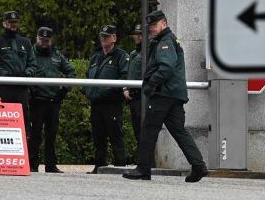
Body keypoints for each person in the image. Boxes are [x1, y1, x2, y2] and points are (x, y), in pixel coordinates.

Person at [123, 11, 209, 183]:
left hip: (163, 94)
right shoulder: (168, 40)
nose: (152, 29)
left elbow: (166, 68)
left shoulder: (165, 42)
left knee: (148, 129)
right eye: (150, 26)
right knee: (179, 131)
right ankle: (199, 166)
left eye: (155, 25)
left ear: (164, 24)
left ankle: (143, 169)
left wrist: (151, 85)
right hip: (173, 95)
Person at [0, 10, 37, 172]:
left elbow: (33, 64)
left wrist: (25, 75)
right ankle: (1, 160)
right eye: (10, 22)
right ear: (4, 23)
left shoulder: (25, 42)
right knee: (2, 124)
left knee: (23, 125)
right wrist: (6, 75)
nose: (13, 25)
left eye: (15, 22)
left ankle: (23, 161)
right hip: (3, 89)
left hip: (21, 89)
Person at [28, 26, 75, 173]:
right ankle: (32, 164)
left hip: (53, 101)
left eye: (47, 40)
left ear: (51, 40)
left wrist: (64, 90)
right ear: (37, 39)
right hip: (36, 100)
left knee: (51, 134)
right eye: (42, 40)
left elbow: (71, 72)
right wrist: (30, 89)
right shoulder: (30, 53)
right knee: (34, 134)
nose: (44, 43)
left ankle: (51, 165)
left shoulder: (57, 55)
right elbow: (24, 72)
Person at [84, 24, 128, 173]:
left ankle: (120, 166)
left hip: (111, 103)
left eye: (107, 36)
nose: (103, 39)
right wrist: (89, 92)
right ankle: (99, 166)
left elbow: (125, 77)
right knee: (98, 136)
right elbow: (88, 76)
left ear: (114, 38)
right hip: (96, 102)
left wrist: (110, 91)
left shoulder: (121, 56)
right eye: (102, 36)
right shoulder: (96, 56)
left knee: (115, 135)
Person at [122, 24, 144, 153]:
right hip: (133, 96)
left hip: (142, 96)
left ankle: (145, 159)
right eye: (136, 34)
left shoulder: (148, 53)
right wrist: (125, 88)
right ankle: (141, 157)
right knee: (136, 129)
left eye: (139, 34)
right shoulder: (133, 53)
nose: (137, 37)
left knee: (143, 130)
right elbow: (128, 73)